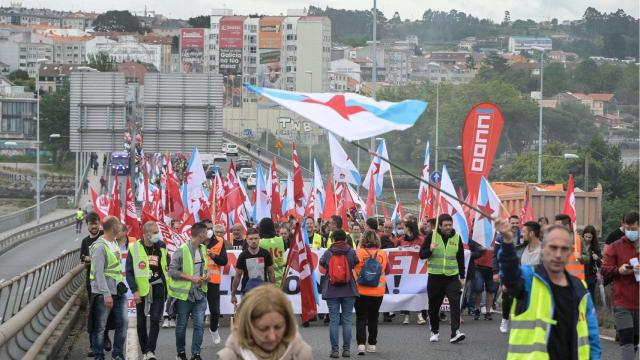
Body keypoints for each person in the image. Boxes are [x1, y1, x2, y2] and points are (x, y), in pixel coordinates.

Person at [498, 220, 601, 360]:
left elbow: (592, 337)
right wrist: (508, 242)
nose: (558, 254)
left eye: (564, 249)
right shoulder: (530, 279)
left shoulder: (580, 289)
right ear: (543, 248)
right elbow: (509, 274)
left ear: (570, 252)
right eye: (553, 247)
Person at [217, 284, 313, 360]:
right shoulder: (229, 357)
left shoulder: (302, 354)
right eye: (263, 329)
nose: (272, 337)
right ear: (247, 326)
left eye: (278, 327)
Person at [419, 214, 466, 344]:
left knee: (455, 304)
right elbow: (421, 255)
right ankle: (434, 331)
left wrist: (462, 277)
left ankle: (455, 332)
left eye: (450, 225)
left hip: (452, 277)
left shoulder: (457, 237)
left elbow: (460, 259)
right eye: (445, 225)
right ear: (440, 226)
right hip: (435, 278)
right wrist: (430, 249)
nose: (448, 227)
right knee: (434, 307)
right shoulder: (432, 236)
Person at [125, 221, 169, 360]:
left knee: (155, 319)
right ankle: (144, 350)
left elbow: (166, 266)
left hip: (158, 287)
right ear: (145, 234)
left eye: (158, 232)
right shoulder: (134, 248)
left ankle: (151, 351)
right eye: (154, 232)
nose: (157, 235)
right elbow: (129, 272)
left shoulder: (162, 246)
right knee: (141, 321)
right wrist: (134, 290)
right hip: (141, 289)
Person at [168, 222, 210, 360]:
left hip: (199, 294)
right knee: (181, 326)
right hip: (184, 295)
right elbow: (172, 271)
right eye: (206, 231)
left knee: (199, 325)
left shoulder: (203, 248)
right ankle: (180, 353)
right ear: (201, 234)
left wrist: (206, 275)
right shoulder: (182, 249)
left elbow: (203, 267)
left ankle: (196, 354)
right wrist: (191, 278)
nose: (208, 234)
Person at [89, 216, 128, 360]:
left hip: (118, 290)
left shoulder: (114, 243)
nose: (120, 226)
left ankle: (117, 354)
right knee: (100, 328)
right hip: (103, 293)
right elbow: (98, 273)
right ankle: (99, 356)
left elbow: (115, 269)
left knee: (123, 323)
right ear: (113, 227)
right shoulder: (100, 246)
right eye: (118, 224)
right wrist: (106, 294)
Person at [602, 211, 639, 360]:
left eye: (634, 229)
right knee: (627, 342)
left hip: (638, 303)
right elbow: (604, 269)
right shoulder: (615, 247)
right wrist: (619, 270)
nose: (631, 232)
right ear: (623, 226)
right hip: (621, 301)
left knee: (635, 341)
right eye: (627, 228)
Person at [320, 230, 359, 358]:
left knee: (334, 321)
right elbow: (355, 263)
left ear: (333, 239)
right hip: (348, 289)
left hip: (332, 290)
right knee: (347, 320)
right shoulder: (351, 251)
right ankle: (346, 349)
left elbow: (322, 264)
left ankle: (335, 350)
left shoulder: (328, 252)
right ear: (345, 239)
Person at [354, 230, 390, 355]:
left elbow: (352, 266)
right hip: (378, 291)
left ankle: (361, 345)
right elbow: (388, 270)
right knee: (373, 317)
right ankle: (372, 344)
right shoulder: (382, 254)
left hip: (361, 290)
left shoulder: (359, 252)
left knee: (361, 318)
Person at [80, 213, 110, 357]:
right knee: (93, 314)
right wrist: (92, 259)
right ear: (87, 225)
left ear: (99, 224)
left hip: (107, 281)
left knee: (106, 313)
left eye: (96, 223)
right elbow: (83, 259)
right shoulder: (85, 242)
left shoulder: (105, 236)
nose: (94, 226)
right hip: (91, 283)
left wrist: (91, 259)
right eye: (91, 224)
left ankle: (105, 337)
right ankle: (93, 345)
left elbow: (108, 256)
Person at [231, 228, 276, 305]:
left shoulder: (265, 254)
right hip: (247, 292)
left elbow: (271, 273)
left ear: (259, 239)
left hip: (263, 292)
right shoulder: (243, 256)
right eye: (251, 239)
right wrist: (233, 295)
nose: (254, 241)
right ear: (247, 240)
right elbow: (237, 276)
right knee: (247, 316)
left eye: (256, 238)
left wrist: (273, 291)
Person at [398, 220, 427, 325]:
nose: (402, 229)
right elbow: (394, 251)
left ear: (408, 228)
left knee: (417, 292)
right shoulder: (401, 239)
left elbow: (425, 251)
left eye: (404, 227)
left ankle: (419, 314)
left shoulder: (421, 239)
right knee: (405, 292)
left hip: (418, 271)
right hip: (404, 272)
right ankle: (406, 316)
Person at [205, 222, 228, 346]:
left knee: (215, 311)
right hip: (198, 281)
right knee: (198, 312)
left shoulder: (219, 241)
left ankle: (213, 329)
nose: (208, 231)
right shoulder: (197, 241)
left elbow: (224, 261)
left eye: (210, 228)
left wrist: (214, 255)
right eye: (206, 228)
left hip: (213, 281)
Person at [257, 218, 286, 287]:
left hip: (265, 282)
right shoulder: (281, 240)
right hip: (281, 280)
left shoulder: (259, 243)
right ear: (273, 227)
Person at [580, 225, 602, 302]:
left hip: (591, 276)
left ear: (593, 237)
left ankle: (591, 311)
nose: (587, 239)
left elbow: (601, 263)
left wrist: (597, 258)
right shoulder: (579, 244)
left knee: (590, 295)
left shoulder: (595, 247)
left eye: (590, 237)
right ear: (583, 235)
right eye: (586, 236)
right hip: (580, 274)